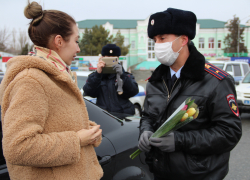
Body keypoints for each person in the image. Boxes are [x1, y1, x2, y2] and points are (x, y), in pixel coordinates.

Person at [0, 1, 103, 180]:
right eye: (76, 41)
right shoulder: (31, 80)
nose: (78, 48)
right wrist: (76, 140)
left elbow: (55, 124)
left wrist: (88, 132)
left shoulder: (56, 76)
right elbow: (18, 147)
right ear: (59, 41)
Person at [138, 8, 242, 180]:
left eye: (162, 38)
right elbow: (148, 116)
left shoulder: (216, 81)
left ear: (184, 39)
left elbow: (229, 132)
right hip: (160, 172)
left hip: (200, 174)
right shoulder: (155, 81)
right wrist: (145, 131)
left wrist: (180, 140)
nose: (157, 45)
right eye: (155, 40)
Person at [83, 44, 139, 115]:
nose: (111, 59)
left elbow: (133, 91)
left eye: (113, 58)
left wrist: (122, 75)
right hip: (103, 117)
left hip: (123, 116)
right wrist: (98, 74)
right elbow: (89, 92)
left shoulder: (125, 75)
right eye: (108, 57)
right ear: (102, 58)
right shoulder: (96, 76)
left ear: (118, 59)